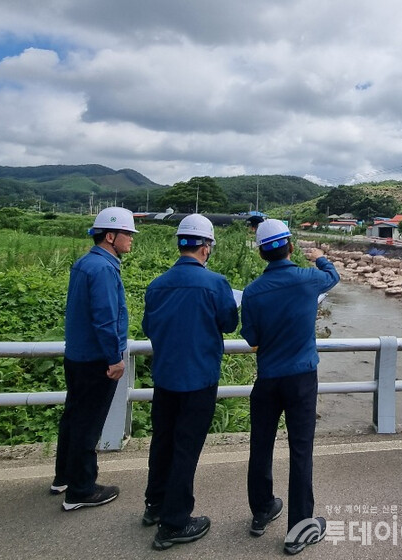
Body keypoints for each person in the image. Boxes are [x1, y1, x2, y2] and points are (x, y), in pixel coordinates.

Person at [240, 219, 340, 555]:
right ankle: (299, 527)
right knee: (301, 450)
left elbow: (251, 338)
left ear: (261, 254)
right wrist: (320, 257)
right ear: (290, 247)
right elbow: (334, 277)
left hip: (267, 379)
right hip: (301, 378)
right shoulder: (308, 278)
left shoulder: (253, 291)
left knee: (261, 446)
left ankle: (261, 510)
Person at [141, 214, 239, 551]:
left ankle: (154, 505)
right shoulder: (216, 284)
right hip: (198, 378)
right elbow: (228, 323)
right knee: (186, 448)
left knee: (163, 441)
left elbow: (149, 327)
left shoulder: (157, 284)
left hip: (165, 376)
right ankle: (175, 522)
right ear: (206, 246)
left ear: (180, 243)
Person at [53, 207, 136, 511]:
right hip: (96, 359)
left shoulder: (86, 263)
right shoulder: (103, 269)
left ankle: (63, 476)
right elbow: (105, 318)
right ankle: (82, 489)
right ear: (110, 236)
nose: (131, 240)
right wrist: (114, 358)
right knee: (88, 424)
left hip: (77, 354)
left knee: (74, 418)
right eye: (127, 234)